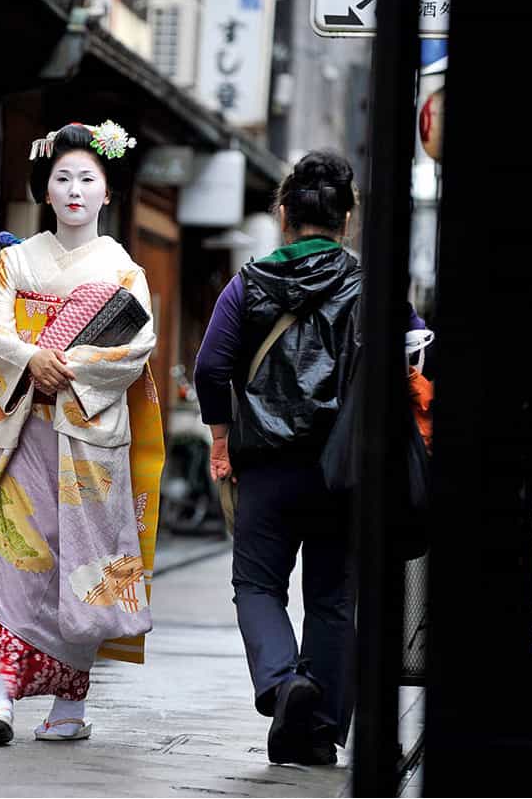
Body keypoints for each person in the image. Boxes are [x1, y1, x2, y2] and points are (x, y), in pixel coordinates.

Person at [0, 121, 165, 746]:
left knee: (78, 568)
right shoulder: (16, 261)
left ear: (107, 192)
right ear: (47, 190)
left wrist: (72, 368)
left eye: (88, 178)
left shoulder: (124, 271)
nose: (74, 189)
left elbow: (137, 346)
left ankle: (69, 708)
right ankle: (1, 696)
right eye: (63, 178)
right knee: (4, 560)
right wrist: (29, 360)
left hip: (85, 438)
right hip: (20, 432)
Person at [193, 150, 361, 766]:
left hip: (266, 466)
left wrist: (219, 436)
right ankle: (314, 734)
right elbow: (412, 351)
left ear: (283, 214)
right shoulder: (371, 284)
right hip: (344, 468)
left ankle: (282, 681)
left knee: (258, 585)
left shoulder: (250, 282)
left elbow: (211, 366)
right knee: (331, 598)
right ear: (347, 219)